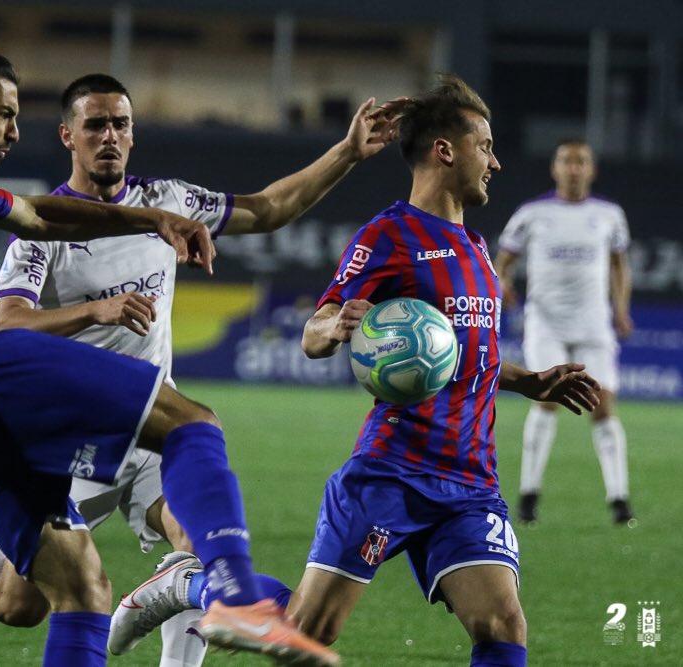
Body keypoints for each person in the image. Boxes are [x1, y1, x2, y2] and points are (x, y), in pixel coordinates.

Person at [0, 24, 336, 667]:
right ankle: (234, 596)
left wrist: (152, 217)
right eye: (3, 113)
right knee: (192, 423)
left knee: (72, 590)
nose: (13, 130)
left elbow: (37, 212)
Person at [109, 74, 602, 667]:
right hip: (392, 471)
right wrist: (337, 325)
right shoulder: (389, 235)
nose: (495, 162)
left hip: (470, 481)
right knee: (303, 632)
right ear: (445, 150)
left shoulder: (474, 247)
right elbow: (314, 333)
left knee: (502, 625)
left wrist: (528, 380)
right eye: (485, 147)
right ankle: (183, 587)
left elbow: (465, 355)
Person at [495, 139, 635, 525]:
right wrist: (502, 283)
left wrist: (621, 308)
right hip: (546, 321)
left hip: (594, 322)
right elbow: (502, 260)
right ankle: (528, 495)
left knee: (603, 406)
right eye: (567, 161)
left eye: (581, 162)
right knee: (545, 398)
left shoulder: (609, 215)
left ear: (591, 170)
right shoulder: (532, 214)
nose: (574, 168)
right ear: (555, 168)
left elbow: (620, 266)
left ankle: (619, 500)